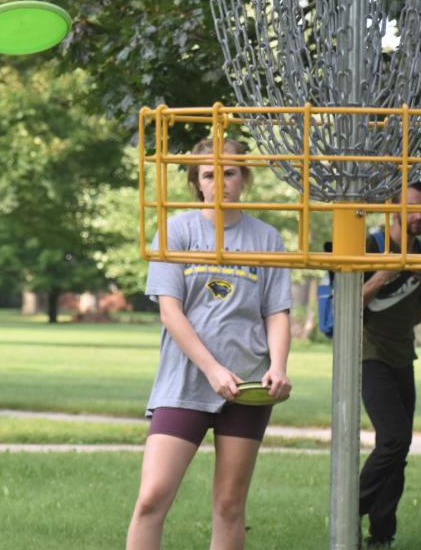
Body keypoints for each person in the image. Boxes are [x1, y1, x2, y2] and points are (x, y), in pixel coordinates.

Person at [126, 137, 292, 550]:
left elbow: (276, 312)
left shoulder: (266, 238)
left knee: (230, 505)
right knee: (151, 499)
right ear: (197, 182)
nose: (220, 181)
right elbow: (171, 312)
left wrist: (279, 366)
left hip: (248, 385)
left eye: (230, 172)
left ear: (244, 178)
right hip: (185, 382)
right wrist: (212, 369)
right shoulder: (176, 229)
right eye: (209, 174)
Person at [359, 180, 421, 549]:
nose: (420, 215)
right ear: (392, 209)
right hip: (368, 356)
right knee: (394, 439)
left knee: (397, 451)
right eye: (412, 208)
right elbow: (347, 306)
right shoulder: (369, 246)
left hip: (402, 357)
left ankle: (381, 535)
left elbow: (415, 317)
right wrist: (378, 278)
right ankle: (350, 509)